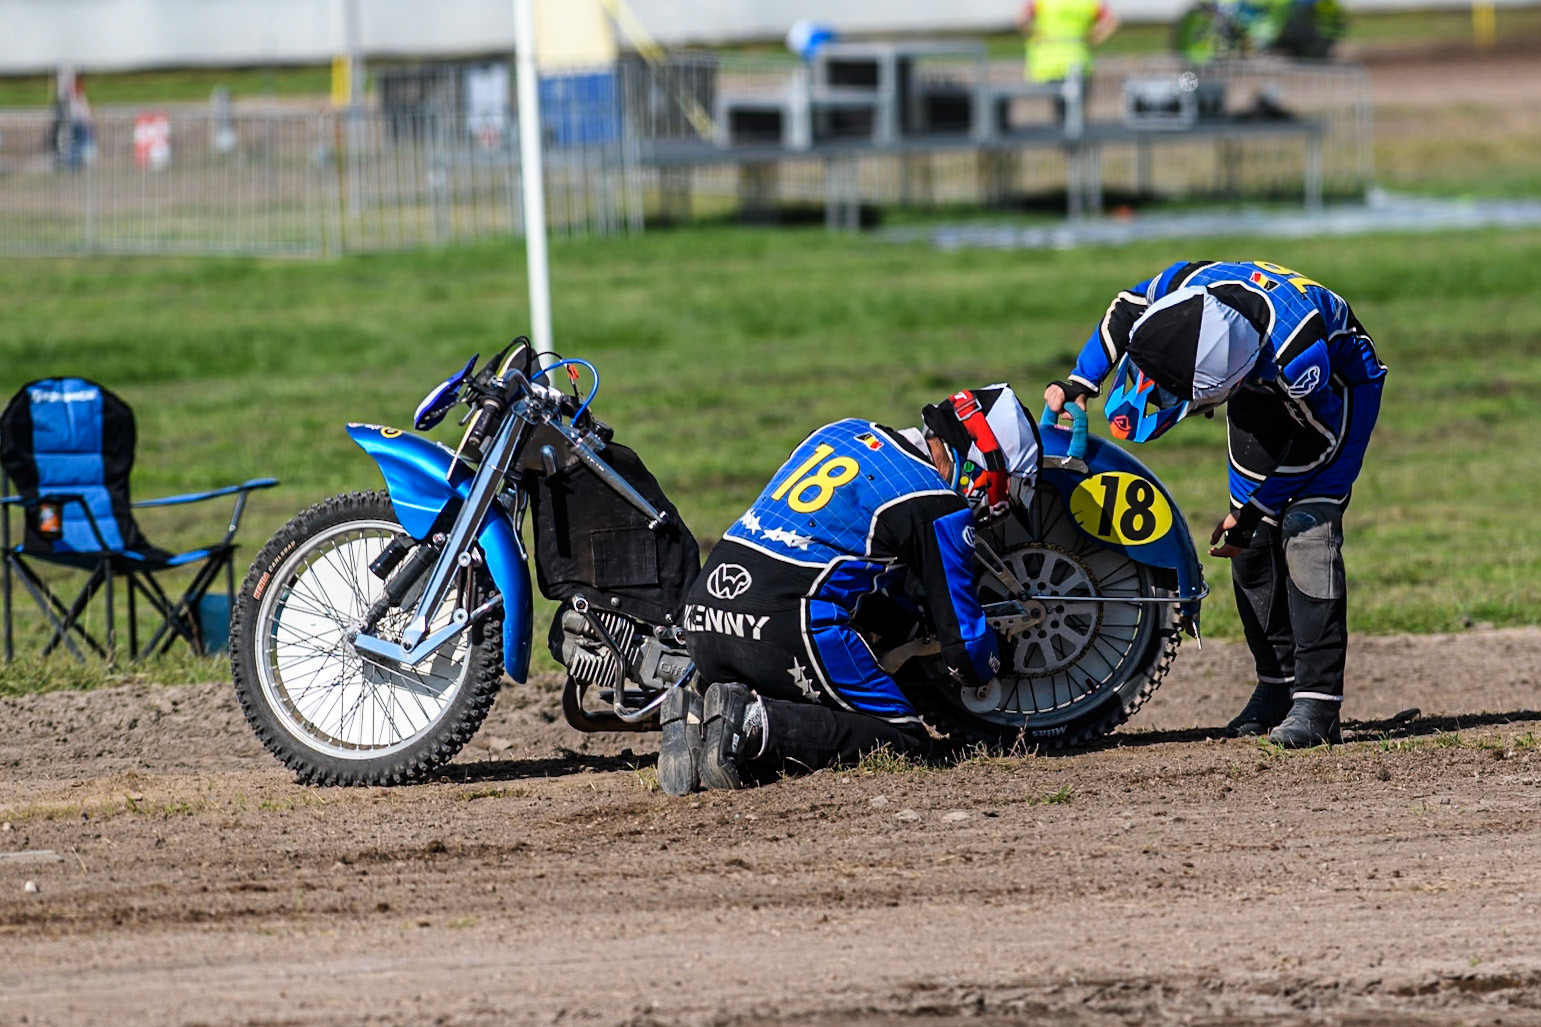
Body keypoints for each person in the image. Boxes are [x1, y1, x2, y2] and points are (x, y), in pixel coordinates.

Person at [1043, 260, 1386, 748]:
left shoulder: (1299, 355)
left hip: (1337, 399)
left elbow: (1319, 440)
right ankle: (1276, 688)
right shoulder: (1185, 285)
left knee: (1307, 529)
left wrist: (1256, 508)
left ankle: (1317, 704)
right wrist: (1082, 379)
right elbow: (1125, 310)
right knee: (1248, 548)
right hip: (1260, 386)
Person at [658, 386, 1041, 795]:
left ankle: (698, 715)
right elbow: (965, 651)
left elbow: (860, 572)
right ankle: (750, 725)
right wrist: (999, 653)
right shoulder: (937, 503)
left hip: (703, 612)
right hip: (785, 619)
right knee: (903, 739)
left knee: (812, 699)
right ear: (986, 463)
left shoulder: (840, 431)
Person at [1018, 0, 1119, 87]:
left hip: (1045, 66)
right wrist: (1093, 38)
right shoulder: (1089, 2)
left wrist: (1037, 35)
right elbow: (1110, 21)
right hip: (1078, 63)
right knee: (1076, 106)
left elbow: (1022, 20)